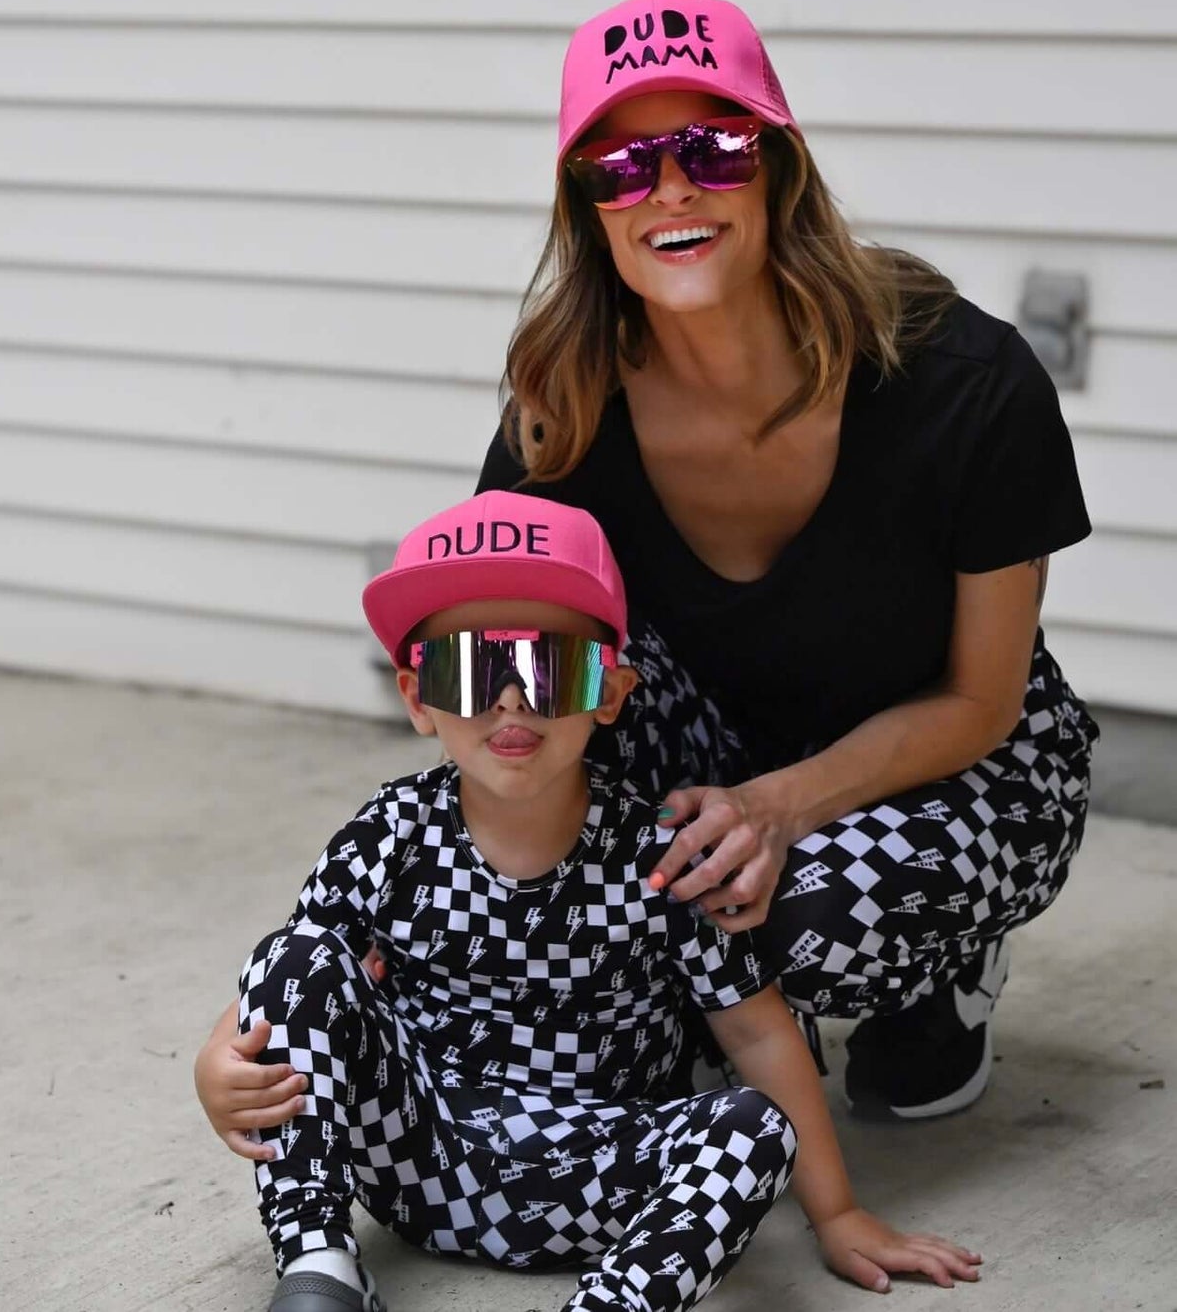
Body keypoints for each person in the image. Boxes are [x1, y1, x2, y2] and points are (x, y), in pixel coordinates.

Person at [469, 0, 1099, 1120]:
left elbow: (979, 697)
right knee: (556, 683)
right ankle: (713, 989)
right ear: (588, 208)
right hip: (714, 739)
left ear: (776, 169)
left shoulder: (964, 384)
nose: (666, 186)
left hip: (959, 756)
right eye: (620, 165)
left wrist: (777, 807)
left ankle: (940, 978)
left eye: (709, 147)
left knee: (798, 927)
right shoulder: (564, 404)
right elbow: (508, 675)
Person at [205, 491, 981, 1312]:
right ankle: (320, 1265)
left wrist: (837, 1211)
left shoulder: (660, 855)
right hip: (417, 1149)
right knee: (296, 951)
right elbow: (292, 979)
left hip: (599, 1173)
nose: (509, 700)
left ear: (608, 693)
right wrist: (214, 1060)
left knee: (753, 1126)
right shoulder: (390, 835)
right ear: (416, 696)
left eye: (547, 667)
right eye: (469, 670)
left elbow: (754, 1027)